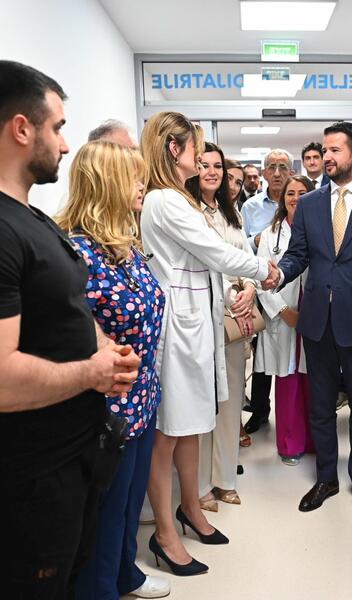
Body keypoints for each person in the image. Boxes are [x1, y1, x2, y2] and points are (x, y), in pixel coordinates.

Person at [0, 60, 139, 598]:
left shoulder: (33, 220)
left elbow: (68, 309)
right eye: (57, 128)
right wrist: (92, 372)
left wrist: (106, 348)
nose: (64, 145)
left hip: (71, 460)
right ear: (21, 128)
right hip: (32, 476)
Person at [139, 112, 276, 576]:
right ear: (173, 149)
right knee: (168, 432)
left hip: (197, 325)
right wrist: (263, 270)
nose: (201, 157)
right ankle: (165, 533)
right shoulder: (164, 200)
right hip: (179, 329)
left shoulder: (178, 198)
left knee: (192, 425)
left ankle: (191, 509)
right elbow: (214, 251)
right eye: (195, 147)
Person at [55, 141, 169, 599]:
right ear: (107, 184)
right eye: (133, 178)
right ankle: (100, 589)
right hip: (106, 407)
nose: (142, 186)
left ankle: (126, 575)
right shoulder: (76, 253)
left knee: (127, 505)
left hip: (142, 396)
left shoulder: (125, 245)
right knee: (103, 512)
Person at [277, 121, 352, 519]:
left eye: (335, 150)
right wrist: (277, 274)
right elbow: (298, 255)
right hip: (318, 322)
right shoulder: (309, 204)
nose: (327, 157)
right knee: (320, 407)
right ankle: (326, 478)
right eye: (325, 150)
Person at [186, 143, 258, 509]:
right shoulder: (187, 212)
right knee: (203, 406)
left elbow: (247, 259)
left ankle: (225, 479)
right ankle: (200, 486)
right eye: (205, 165)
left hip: (235, 321)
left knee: (230, 404)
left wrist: (250, 289)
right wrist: (234, 296)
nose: (212, 172)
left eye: (218, 166)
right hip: (204, 317)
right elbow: (207, 265)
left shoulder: (233, 214)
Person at [256, 176, 315, 465]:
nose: (296, 198)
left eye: (302, 193)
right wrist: (282, 311)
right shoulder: (270, 235)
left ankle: (315, 440)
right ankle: (290, 444)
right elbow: (259, 278)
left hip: (314, 309)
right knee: (288, 380)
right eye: (290, 193)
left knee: (314, 380)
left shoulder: (322, 228)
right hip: (283, 315)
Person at [241, 148, 294, 434]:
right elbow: (240, 246)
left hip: (294, 287)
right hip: (260, 289)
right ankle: (260, 410)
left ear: (291, 172)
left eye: (282, 167)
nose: (276, 173)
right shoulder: (251, 207)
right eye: (271, 167)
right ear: (263, 173)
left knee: (295, 355)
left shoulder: (300, 201)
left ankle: (296, 412)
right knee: (262, 354)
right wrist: (258, 239)